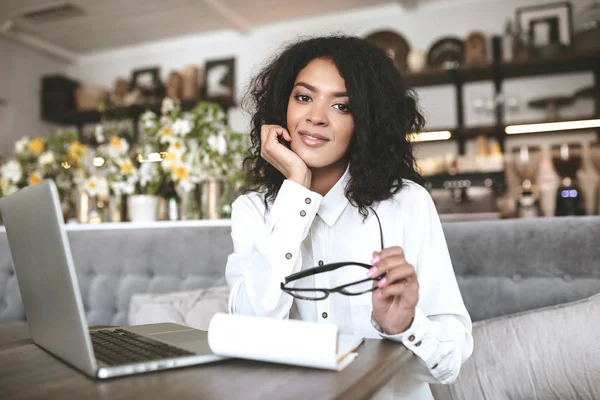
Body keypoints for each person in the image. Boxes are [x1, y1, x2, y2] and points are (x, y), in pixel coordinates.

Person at [225, 35, 473, 400]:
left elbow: (450, 366)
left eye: (342, 106)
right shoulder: (253, 211)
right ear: (283, 107)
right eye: (304, 97)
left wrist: (405, 325)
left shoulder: (409, 204)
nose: (315, 117)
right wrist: (296, 186)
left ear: (366, 122)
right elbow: (249, 331)